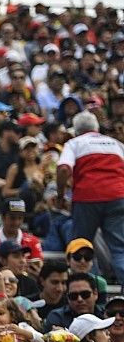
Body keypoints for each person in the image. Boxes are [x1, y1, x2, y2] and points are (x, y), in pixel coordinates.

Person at [56, 111, 124, 283]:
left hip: (87, 198)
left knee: (80, 247)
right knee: (120, 249)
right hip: (117, 196)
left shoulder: (74, 143)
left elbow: (64, 169)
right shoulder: (116, 144)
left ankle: (83, 286)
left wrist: (60, 196)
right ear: (96, 128)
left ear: (76, 130)